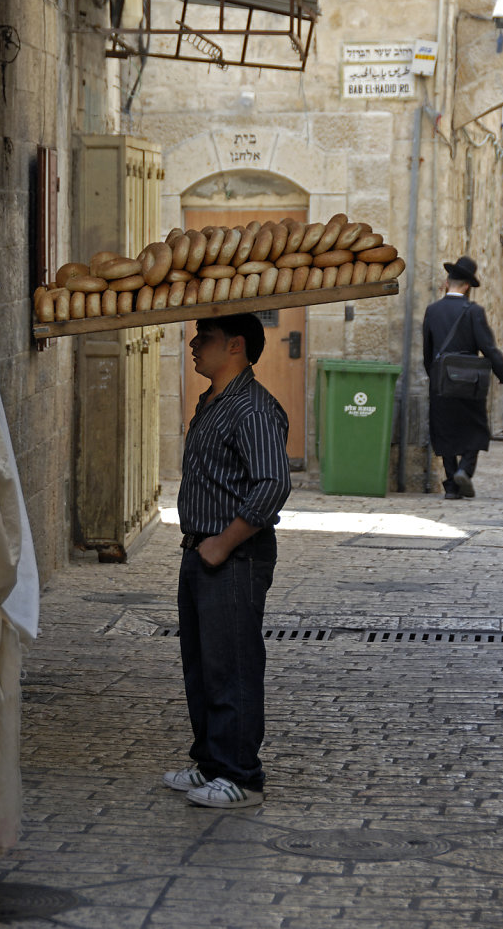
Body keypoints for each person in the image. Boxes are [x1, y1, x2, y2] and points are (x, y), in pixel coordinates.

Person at [163, 313, 291, 809]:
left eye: (206, 338)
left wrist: (223, 542)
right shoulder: (212, 401)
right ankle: (213, 764)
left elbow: (273, 484)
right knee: (201, 664)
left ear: (235, 345)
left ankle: (243, 777)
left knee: (232, 664)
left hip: (232, 556)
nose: (194, 345)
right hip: (200, 550)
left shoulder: (254, 409)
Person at [422, 255, 503, 499]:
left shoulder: (433, 310)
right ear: (468, 285)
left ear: (447, 282)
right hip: (470, 381)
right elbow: (488, 348)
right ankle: (464, 470)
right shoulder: (474, 312)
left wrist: (435, 375)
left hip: (440, 380)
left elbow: (427, 351)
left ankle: (451, 485)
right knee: (476, 428)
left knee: (444, 429)